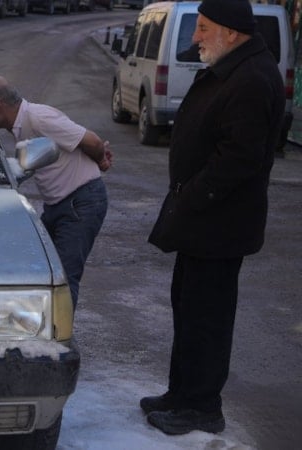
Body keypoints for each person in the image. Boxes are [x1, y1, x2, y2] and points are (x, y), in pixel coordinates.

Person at [143, 0, 285, 436]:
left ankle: (202, 406)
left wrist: (193, 195)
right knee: (188, 309)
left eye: (203, 28)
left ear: (231, 32)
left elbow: (238, 158)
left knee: (207, 319)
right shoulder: (233, 67)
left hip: (219, 225)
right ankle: (181, 394)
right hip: (202, 223)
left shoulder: (252, 78)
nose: (195, 37)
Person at [0, 76, 113, 308]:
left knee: (63, 278)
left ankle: (59, 331)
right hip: (58, 206)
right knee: (39, 269)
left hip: (81, 203)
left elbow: (92, 141)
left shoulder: (39, 118)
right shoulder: (23, 124)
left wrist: (101, 159)